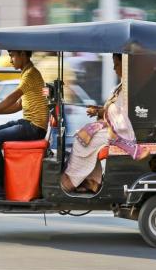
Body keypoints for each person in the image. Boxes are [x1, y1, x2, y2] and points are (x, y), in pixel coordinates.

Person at [61, 53, 149, 193]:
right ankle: (92, 181)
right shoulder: (120, 87)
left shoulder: (129, 89)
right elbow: (109, 110)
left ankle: (71, 180)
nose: (114, 68)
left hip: (119, 131)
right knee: (81, 135)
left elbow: (119, 114)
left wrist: (101, 114)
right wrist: (98, 111)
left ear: (125, 66)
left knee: (81, 141)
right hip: (111, 126)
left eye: (117, 64)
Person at [0, 50, 48, 189]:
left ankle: (3, 181)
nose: (11, 60)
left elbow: (12, 97)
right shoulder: (26, 72)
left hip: (34, 128)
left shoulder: (30, 74)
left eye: (12, 55)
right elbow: (18, 105)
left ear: (23, 55)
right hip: (28, 124)